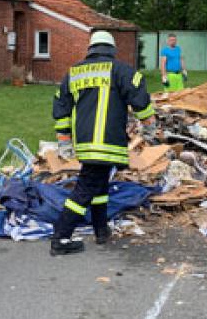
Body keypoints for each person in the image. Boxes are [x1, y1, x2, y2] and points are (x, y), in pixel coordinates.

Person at [51, 31, 156, 255]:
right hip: (108, 144)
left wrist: (64, 140)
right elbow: (140, 98)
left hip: (85, 144)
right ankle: (60, 237)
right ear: (112, 49)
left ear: (91, 48)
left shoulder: (74, 73)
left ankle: (101, 230)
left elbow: (61, 107)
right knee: (84, 190)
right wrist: (149, 126)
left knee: (99, 186)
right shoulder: (121, 70)